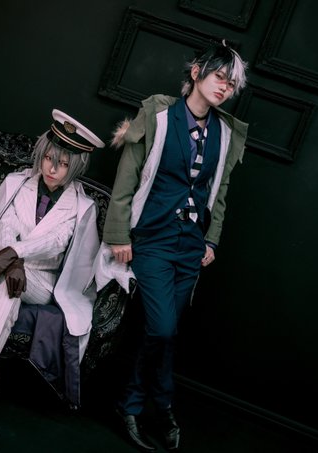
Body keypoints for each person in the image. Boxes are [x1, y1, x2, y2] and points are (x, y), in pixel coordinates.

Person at [94, 40, 249, 452]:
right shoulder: (159, 116)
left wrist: (211, 238)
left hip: (191, 246)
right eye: (219, 77)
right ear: (197, 72)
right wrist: (118, 235)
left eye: (231, 84)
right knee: (162, 328)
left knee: (165, 332)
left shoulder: (225, 133)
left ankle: (141, 405)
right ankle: (155, 405)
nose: (224, 87)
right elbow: (127, 177)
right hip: (153, 239)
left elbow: (220, 191)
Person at [0, 109, 104, 446]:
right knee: (9, 291)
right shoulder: (16, 183)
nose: (52, 168)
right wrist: (12, 263)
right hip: (10, 272)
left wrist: (14, 255)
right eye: (49, 158)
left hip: (45, 281)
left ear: (75, 167)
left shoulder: (83, 206)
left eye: (63, 163)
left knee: (13, 280)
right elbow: (4, 226)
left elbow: (56, 243)